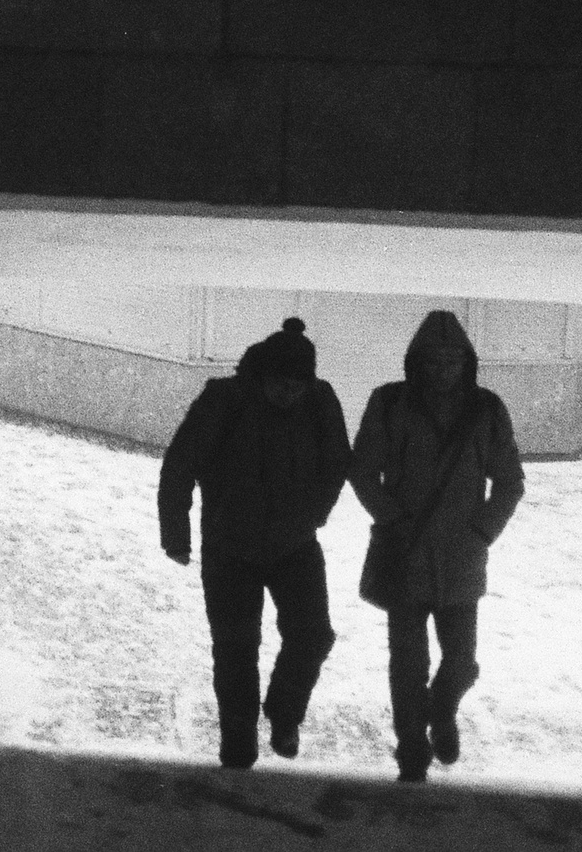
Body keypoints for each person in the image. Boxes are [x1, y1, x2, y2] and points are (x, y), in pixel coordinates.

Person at [158, 317, 351, 770]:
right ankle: (238, 740)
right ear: (261, 376)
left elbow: (338, 460)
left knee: (313, 635)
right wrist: (177, 536)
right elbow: (180, 464)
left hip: (295, 545)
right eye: (280, 384)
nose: (289, 393)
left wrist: (313, 514)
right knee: (236, 647)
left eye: (297, 385)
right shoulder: (224, 400)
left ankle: (285, 714)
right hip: (231, 546)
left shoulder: (320, 401)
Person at [349, 309, 526, 785]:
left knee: (461, 661)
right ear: (416, 362)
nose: (442, 369)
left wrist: (482, 533)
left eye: (452, 360)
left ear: (466, 362)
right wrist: (393, 519)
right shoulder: (389, 404)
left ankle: (442, 710)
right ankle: (411, 749)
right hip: (404, 553)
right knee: (408, 663)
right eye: (432, 360)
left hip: (462, 557)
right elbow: (363, 470)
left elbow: (508, 481)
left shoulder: (486, 409)